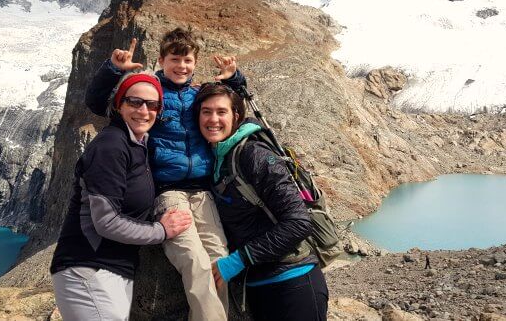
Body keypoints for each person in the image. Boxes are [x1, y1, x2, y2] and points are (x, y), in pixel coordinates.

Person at [85, 28, 246, 321]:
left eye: (187, 60)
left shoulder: (199, 95)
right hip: (168, 191)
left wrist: (234, 78)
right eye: (175, 59)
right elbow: (99, 104)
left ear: (195, 63)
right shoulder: (149, 92)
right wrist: (112, 70)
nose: (181, 66)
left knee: (219, 260)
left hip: (202, 190)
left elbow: (236, 107)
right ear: (161, 59)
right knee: (194, 261)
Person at [50, 72, 193, 321]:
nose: (143, 110)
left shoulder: (137, 146)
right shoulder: (111, 146)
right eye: (134, 102)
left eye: (152, 104)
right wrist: (160, 231)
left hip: (111, 270)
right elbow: (106, 222)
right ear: (119, 104)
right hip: (88, 267)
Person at [195, 82, 329, 321]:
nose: (213, 119)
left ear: (236, 115)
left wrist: (238, 260)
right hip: (259, 287)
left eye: (221, 111)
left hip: (294, 282)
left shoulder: (253, 154)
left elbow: (298, 221)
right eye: (206, 111)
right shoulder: (219, 157)